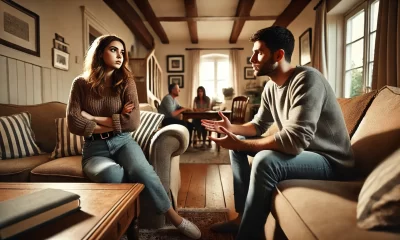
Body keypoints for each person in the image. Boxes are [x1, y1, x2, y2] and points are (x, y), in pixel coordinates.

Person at [202, 26, 354, 239]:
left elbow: (294, 140)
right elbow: (258, 126)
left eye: (259, 52)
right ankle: (242, 216)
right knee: (238, 143)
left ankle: (248, 235)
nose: (252, 58)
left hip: (330, 162)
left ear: (279, 54)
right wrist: (231, 129)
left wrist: (242, 144)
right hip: (302, 154)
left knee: (265, 160)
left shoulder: (308, 79)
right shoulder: (271, 88)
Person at [66, 35, 201, 239]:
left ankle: (174, 218)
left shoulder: (126, 81)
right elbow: (74, 123)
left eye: (122, 52)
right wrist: (116, 120)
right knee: (112, 176)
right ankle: (127, 226)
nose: (120, 55)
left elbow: (132, 123)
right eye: (113, 50)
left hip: (124, 142)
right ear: (99, 52)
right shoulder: (80, 84)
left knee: (142, 170)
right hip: (94, 150)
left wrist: (92, 118)